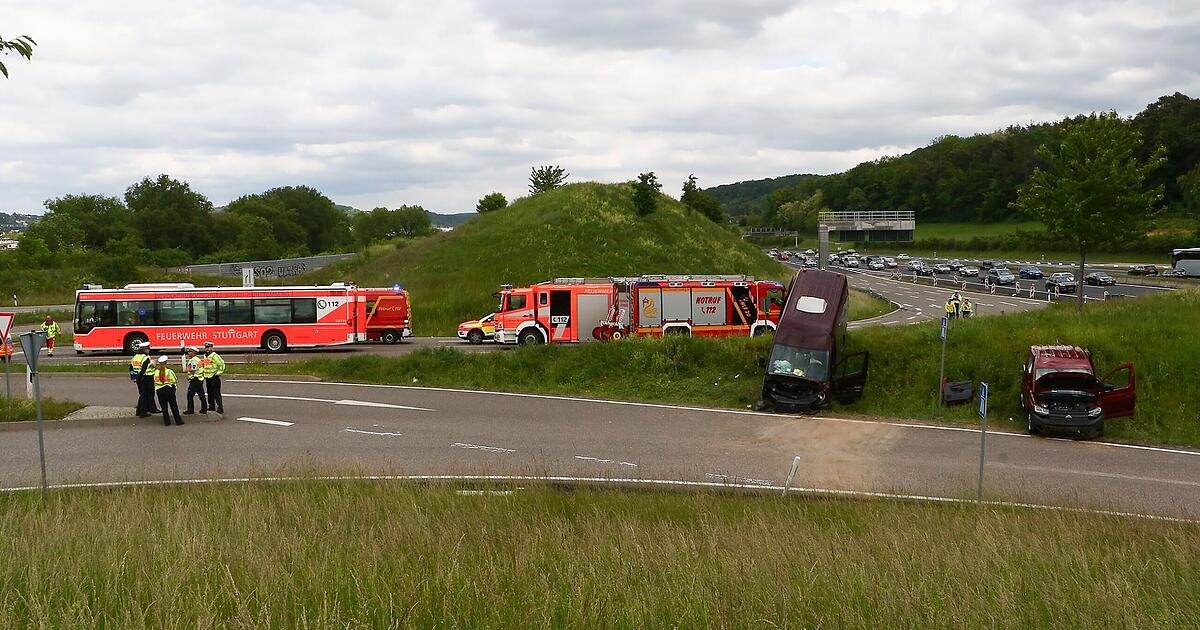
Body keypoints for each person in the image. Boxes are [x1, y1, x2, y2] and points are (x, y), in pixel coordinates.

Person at [128, 340, 158, 417]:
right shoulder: (145, 358)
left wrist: (134, 378)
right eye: (148, 349)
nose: (149, 350)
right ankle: (143, 412)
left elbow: (131, 368)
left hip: (138, 378)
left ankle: (141, 410)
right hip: (146, 378)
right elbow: (143, 369)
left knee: (142, 394)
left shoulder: (135, 357)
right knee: (147, 395)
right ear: (145, 349)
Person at [154, 356, 184, 426]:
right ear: (166, 363)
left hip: (159, 390)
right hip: (168, 390)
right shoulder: (169, 371)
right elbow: (174, 380)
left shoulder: (156, 372)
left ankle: (167, 422)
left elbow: (155, 381)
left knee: (164, 407)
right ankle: (178, 421)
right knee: (173, 406)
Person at [182, 346, 207, 415]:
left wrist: (187, 370)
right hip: (199, 379)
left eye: (190, 352)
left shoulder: (194, 360)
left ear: (193, 353)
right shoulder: (197, 359)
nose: (188, 353)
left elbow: (193, 370)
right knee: (201, 394)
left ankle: (190, 410)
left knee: (189, 395)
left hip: (195, 379)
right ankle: (204, 409)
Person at [202, 341, 225, 414]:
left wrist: (218, 373)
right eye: (206, 347)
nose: (207, 349)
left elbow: (221, 364)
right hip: (208, 377)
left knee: (216, 393)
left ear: (212, 347)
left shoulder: (214, 356)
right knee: (210, 393)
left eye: (208, 347)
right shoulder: (205, 356)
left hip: (214, 377)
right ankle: (211, 406)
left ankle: (220, 408)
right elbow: (206, 366)